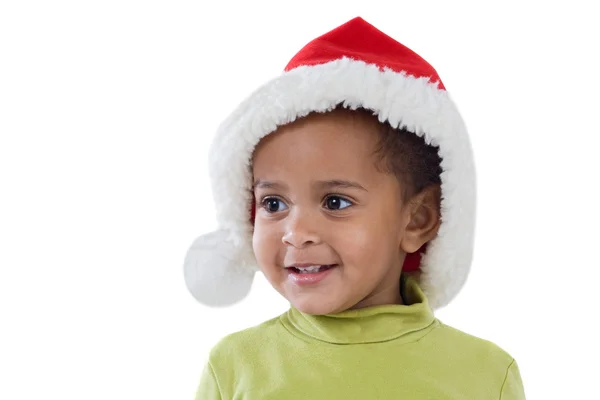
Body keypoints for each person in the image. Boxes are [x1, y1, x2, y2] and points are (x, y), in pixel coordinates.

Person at [183, 16, 526, 399]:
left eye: (335, 202)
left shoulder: (485, 375)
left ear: (418, 219)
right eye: (274, 203)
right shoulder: (234, 367)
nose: (296, 233)